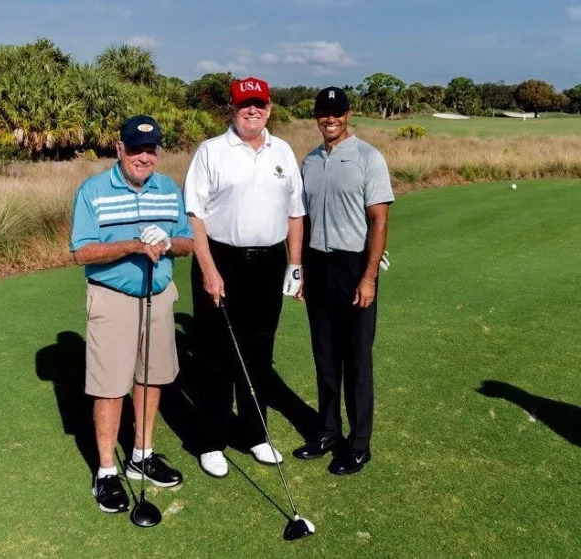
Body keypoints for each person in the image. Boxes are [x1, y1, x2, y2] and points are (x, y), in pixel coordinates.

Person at [70, 115, 193, 513]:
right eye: (136, 148)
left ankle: (142, 454)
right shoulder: (94, 191)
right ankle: (107, 472)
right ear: (119, 148)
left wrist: (168, 241)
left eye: (151, 148)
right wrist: (133, 245)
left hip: (158, 296)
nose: (144, 156)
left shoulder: (169, 188)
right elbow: (81, 252)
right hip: (113, 298)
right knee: (110, 386)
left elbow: (188, 242)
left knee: (150, 377)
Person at [183, 76, 305, 478]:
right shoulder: (211, 152)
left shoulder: (282, 150)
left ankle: (256, 434)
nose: (253, 111)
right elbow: (194, 214)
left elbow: (295, 213)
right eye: (244, 105)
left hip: (270, 260)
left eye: (259, 104)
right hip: (222, 258)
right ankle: (211, 440)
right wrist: (209, 269)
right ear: (231, 110)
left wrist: (294, 264)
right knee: (216, 354)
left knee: (258, 352)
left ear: (269, 107)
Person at [293, 87, 394, 475]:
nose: (329, 119)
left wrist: (368, 277)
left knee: (356, 361)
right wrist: (298, 269)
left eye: (336, 112)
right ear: (317, 116)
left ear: (348, 114)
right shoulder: (311, 160)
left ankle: (358, 443)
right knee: (325, 358)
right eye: (323, 112)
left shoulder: (368, 157)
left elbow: (379, 220)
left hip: (355, 267)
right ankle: (328, 432)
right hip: (318, 266)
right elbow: (301, 220)